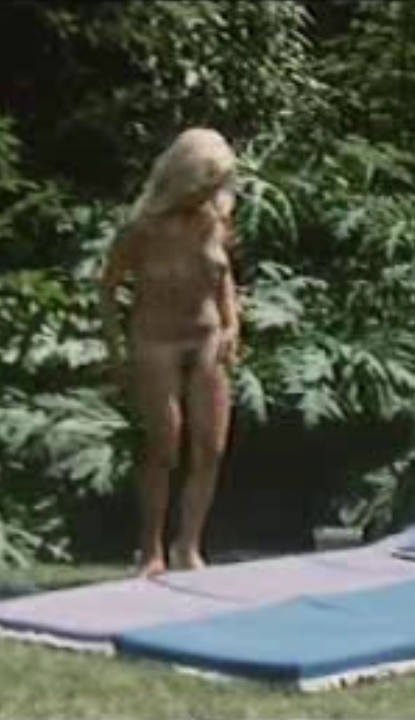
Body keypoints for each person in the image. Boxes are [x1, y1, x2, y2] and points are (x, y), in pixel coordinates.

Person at [100, 128, 242, 578]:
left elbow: (224, 278)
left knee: (211, 447)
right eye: (205, 183)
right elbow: (108, 287)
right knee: (164, 444)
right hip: (155, 339)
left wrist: (232, 325)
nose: (209, 192)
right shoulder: (140, 229)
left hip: (207, 337)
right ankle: (150, 550)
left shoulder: (217, 219)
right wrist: (116, 349)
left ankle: (188, 546)